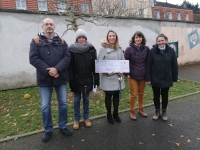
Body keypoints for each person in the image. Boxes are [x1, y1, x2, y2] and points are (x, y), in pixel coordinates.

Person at [29, 18, 72, 142]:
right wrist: (49, 71)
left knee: (63, 103)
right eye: (46, 24)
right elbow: (33, 58)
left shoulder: (62, 42)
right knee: (45, 106)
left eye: (51, 24)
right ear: (42, 27)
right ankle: (48, 129)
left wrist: (57, 69)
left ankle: (63, 126)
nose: (49, 26)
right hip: (44, 79)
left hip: (60, 77)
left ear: (54, 27)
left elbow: (67, 57)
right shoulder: (35, 41)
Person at [68, 29, 99, 130]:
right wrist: (71, 80)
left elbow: (95, 65)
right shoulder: (71, 50)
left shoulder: (91, 49)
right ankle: (76, 120)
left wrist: (96, 79)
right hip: (76, 80)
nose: (81, 39)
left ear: (86, 38)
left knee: (86, 99)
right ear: (77, 39)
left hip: (87, 79)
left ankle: (86, 118)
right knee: (77, 100)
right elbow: (70, 67)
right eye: (79, 38)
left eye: (83, 37)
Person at [146, 34, 178, 121]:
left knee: (165, 96)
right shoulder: (152, 51)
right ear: (157, 42)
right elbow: (148, 65)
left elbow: (174, 65)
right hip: (155, 77)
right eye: (159, 41)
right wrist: (148, 78)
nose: (161, 42)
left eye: (162, 40)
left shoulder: (171, 51)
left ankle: (164, 112)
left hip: (166, 77)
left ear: (166, 41)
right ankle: (157, 112)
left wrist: (174, 78)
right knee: (156, 96)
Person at [97, 30, 125, 124]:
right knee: (108, 96)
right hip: (108, 77)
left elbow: (123, 61)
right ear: (107, 37)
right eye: (110, 36)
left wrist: (122, 70)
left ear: (116, 37)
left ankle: (115, 114)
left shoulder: (119, 49)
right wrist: (106, 71)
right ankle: (109, 114)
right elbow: (99, 63)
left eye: (113, 36)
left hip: (118, 77)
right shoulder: (103, 49)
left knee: (116, 96)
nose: (112, 37)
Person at [124, 31, 150, 120]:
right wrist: (127, 73)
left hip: (143, 75)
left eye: (139, 37)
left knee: (141, 93)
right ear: (133, 39)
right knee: (134, 94)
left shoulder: (146, 49)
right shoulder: (129, 49)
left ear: (142, 38)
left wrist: (148, 75)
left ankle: (141, 109)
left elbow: (148, 62)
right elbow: (125, 62)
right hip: (132, 75)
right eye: (136, 37)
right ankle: (132, 111)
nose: (138, 39)